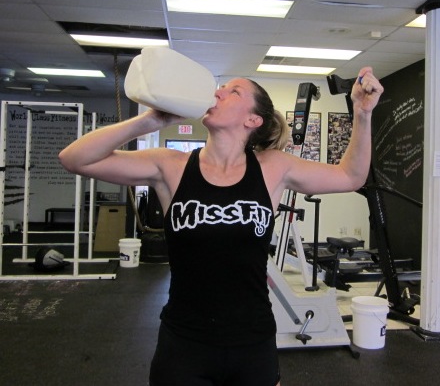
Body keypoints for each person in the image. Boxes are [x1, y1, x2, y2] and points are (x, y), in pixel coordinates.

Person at [59, 67, 383, 386]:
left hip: (252, 342)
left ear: (252, 120)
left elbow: (350, 176)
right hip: (184, 342)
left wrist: (362, 113)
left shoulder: (273, 167)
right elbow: (74, 159)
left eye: (233, 91)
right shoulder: (170, 165)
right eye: (221, 88)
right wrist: (151, 121)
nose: (218, 93)